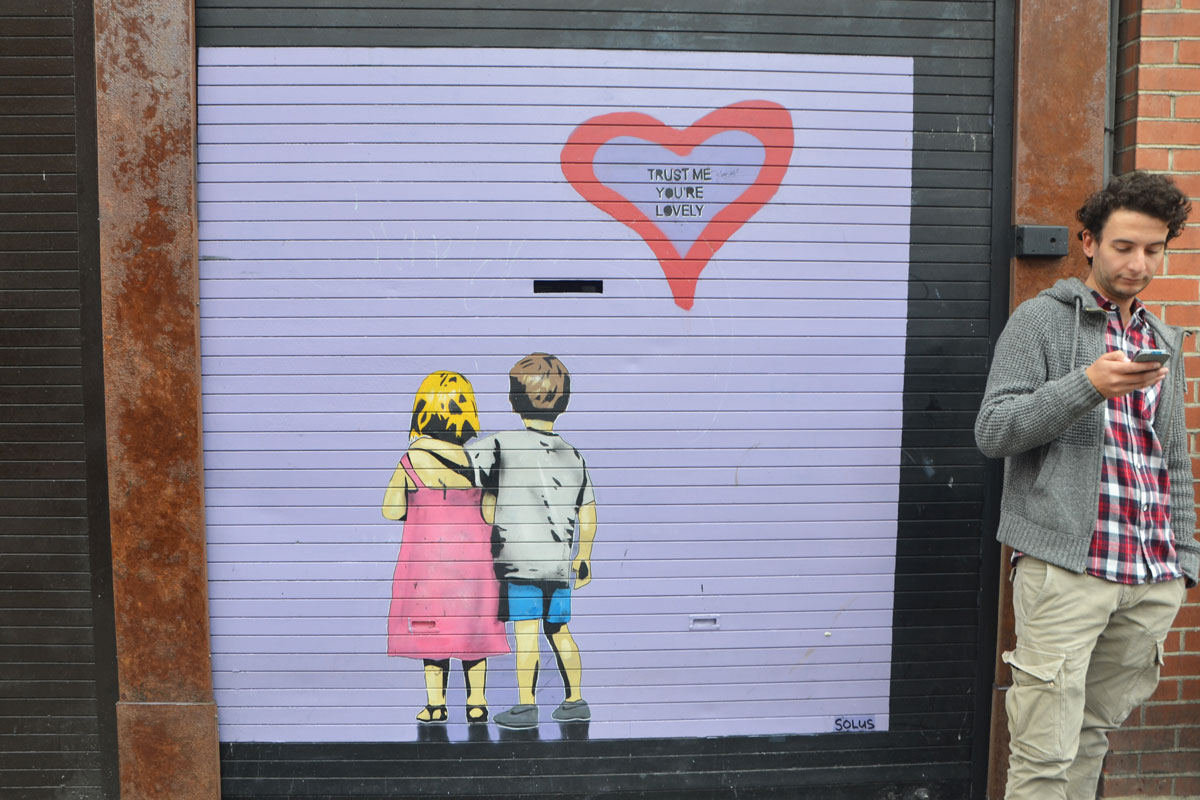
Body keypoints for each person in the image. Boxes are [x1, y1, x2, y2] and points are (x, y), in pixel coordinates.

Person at [975, 170, 1199, 799]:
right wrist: (1085, 387)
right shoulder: (1039, 323)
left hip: (1149, 576)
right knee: (1044, 755)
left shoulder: (1160, 340)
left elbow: (1172, 458)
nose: (1138, 262)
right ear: (1089, 242)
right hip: (1069, 570)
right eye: (1124, 246)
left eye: (1153, 249)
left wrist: (1184, 561)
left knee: (1091, 741)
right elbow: (994, 431)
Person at [468, 353, 597, 730]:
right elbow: (586, 513)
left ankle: (526, 706)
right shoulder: (573, 455)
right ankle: (575, 700)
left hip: (519, 561)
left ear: (512, 400)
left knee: (526, 632)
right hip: (557, 563)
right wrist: (583, 557)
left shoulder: (500, 444)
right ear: (565, 401)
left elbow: (462, 470)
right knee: (559, 630)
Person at [381, 370, 510, 725]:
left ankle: (436, 705)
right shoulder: (477, 461)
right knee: (472, 634)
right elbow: (491, 512)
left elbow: (390, 509)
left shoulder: (411, 460)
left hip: (428, 570)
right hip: (473, 568)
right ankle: (477, 702)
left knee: (432, 638)